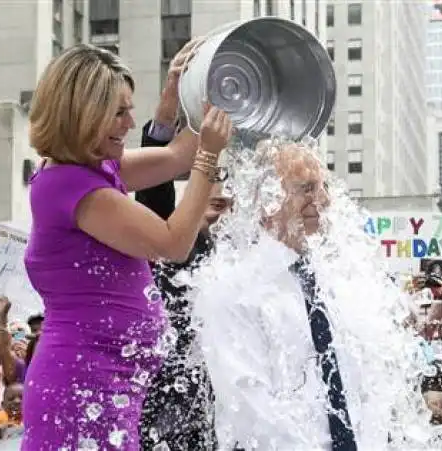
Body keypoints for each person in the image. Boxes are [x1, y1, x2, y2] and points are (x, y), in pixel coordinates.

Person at [21, 43, 232, 450]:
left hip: (110, 389)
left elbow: (175, 154)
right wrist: (209, 156)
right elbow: (172, 243)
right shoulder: (70, 186)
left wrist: (183, 93)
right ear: (82, 115)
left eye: (130, 109)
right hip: (82, 393)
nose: (130, 122)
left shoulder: (97, 169)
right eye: (118, 113)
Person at [193, 145, 380, 449]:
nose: (322, 200)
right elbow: (250, 409)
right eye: (306, 189)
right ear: (265, 200)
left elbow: (360, 389)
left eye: (324, 188)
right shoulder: (231, 289)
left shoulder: (334, 281)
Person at [135, 41, 230, 450]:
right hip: (170, 406)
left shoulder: (249, 259)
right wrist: (170, 104)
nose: (215, 197)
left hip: (230, 409)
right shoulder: (172, 239)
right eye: (204, 182)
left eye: (224, 197)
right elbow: (153, 184)